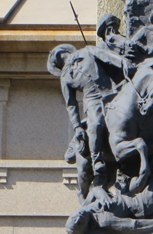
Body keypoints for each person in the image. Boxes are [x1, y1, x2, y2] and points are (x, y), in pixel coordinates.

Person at [47, 43, 129, 200]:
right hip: (93, 100)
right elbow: (71, 104)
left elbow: (109, 57)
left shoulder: (88, 51)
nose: (62, 58)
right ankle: (98, 162)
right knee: (96, 124)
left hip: (112, 90)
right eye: (58, 59)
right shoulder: (65, 77)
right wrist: (77, 127)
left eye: (60, 55)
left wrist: (123, 63)